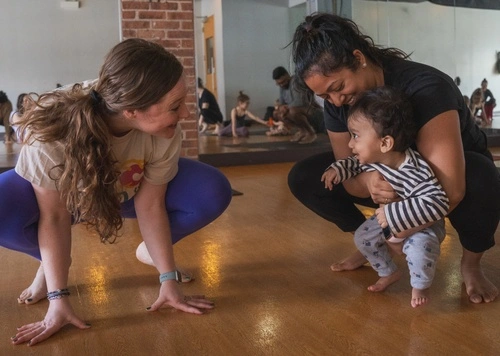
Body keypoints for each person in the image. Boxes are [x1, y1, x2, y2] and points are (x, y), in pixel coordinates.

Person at [1, 38, 232, 346]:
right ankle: (50, 263)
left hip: (124, 191)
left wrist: (168, 280)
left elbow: (151, 206)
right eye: (175, 106)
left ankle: (151, 252)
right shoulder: (50, 130)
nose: (187, 112)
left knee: (212, 189)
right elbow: (54, 216)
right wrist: (58, 299)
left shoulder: (163, 130)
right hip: (66, 197)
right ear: (131, 111)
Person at [288, 13, 500, 304]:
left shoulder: (425, 87)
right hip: (394, 179)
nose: (335, 102)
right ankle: (371, 246)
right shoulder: (338, 105)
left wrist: (396, 228)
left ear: (359, 58)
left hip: (443, 181)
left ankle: (471, 263)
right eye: (325, 96)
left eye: (337, 88)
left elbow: (452, 190)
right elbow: (350, 176)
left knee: (482, 174)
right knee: (306, 176)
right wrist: (368, 179)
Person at [322, 86, 448, 307]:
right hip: (388, 219)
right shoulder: (376, 158)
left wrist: (393, 216)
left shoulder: (415, 169)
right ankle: (388, 271)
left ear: (385, 143)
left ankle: (420, 285)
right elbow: (353, 163)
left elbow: (438, 202)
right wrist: (337, 170)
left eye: (356, 136)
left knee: (418, 250)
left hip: (423, 225)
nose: (350, 143)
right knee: (363, 237)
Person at [272, 66, 321, 144]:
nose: (281, 85)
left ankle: (311, 133)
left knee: (293, 111)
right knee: (276, 113)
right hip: (294, 109)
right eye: (279, 83)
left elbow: (299, 102)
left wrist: (285, 107)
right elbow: (281, 102)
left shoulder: (296, 81)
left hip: (310, 109)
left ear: (287, 75)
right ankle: (302, 131)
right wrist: (281, 108)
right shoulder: (282, 86)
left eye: (283, 82)